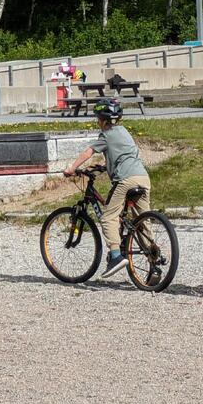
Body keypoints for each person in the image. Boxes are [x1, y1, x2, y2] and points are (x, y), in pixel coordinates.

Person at [63, 99, 152, 278]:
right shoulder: (124, 131)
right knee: (142, 221)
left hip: (125, 180)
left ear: (102, 120)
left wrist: (72, 168)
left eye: (97, 118)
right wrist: (106, 166)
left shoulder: (106, 135)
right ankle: (153, 258)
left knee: (107, 218)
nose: (97, 121)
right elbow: (122, 154)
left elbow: (88, 152)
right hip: (143, 178)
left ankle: (116, 256)